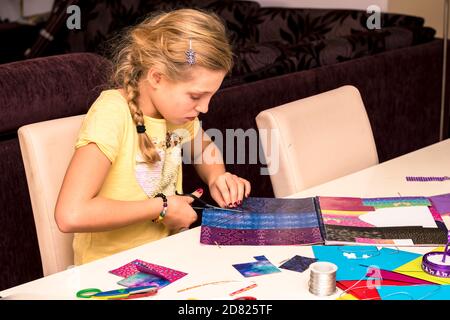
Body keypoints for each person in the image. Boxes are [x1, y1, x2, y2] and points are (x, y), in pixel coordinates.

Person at [55, 9, 251, 265]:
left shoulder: (177, 113)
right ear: (157, 77)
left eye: (210, 96)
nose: (205, 108)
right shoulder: (112, 113)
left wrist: (217, 177)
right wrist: (163, 208)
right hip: (110, 271)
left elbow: (204, 150)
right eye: (195, 96)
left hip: (166, 258)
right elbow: (71, 214)